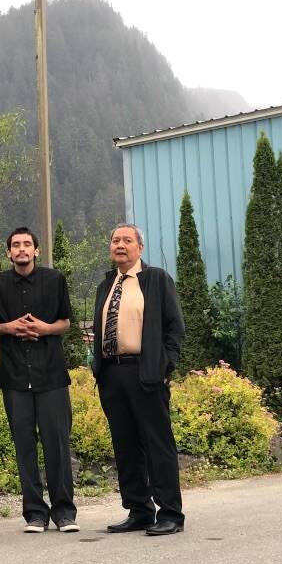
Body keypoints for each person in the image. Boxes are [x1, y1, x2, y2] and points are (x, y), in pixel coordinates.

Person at [0, 227, 79, 533]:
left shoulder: (54, 280)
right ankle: (35, 513)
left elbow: (65, 323)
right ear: (9, 252)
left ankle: (64, 513)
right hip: (14, 376)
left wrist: (43, 329)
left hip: (51, 374)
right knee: (24, 446)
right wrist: (10, 327)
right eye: (15, 245)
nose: (21, 249)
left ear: (36, 250)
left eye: (27, 244)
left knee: (57, 444)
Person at [91, 223, 185, 536]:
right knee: (126, 445)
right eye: (115, 239)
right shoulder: (107, 284)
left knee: (158, 444)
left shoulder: (156, 279)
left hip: (146, 372)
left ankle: (170, 513)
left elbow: (174, 328)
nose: (120, 245)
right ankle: (139, 510)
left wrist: (164, 366)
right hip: (112, 374)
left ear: (139, 247)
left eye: (127, 240)